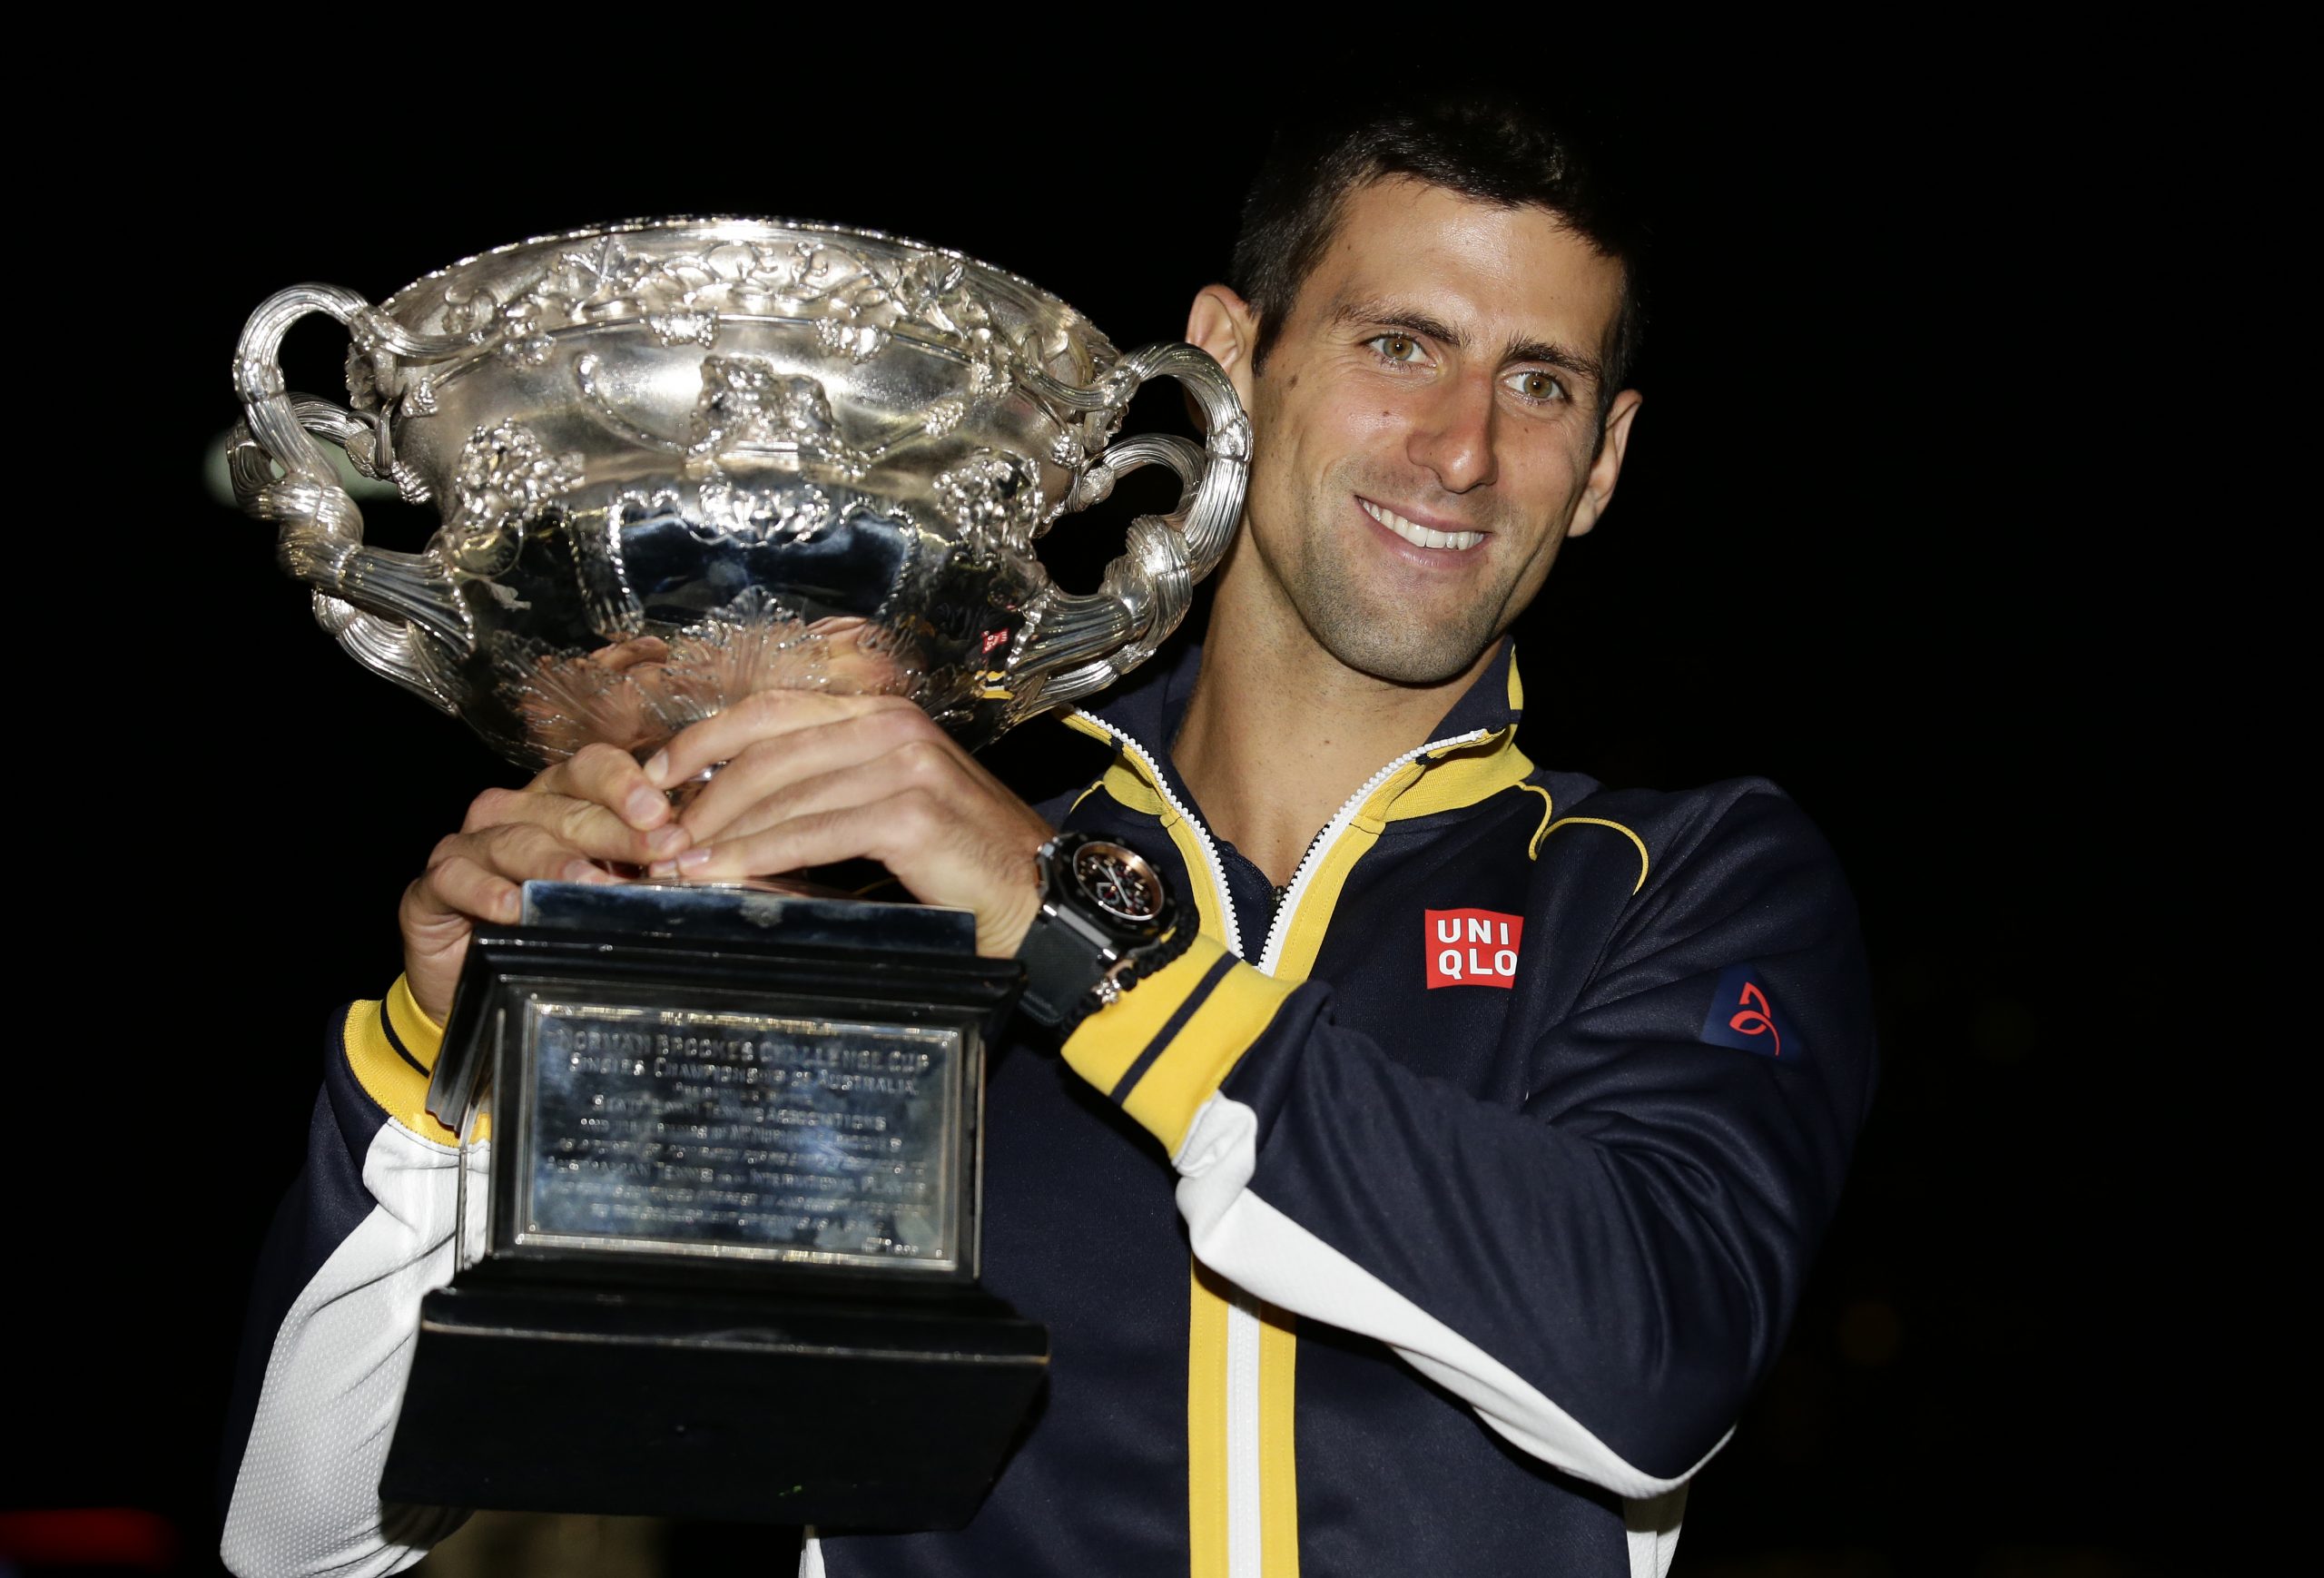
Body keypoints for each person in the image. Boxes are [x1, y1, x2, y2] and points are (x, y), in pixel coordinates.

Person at [222, 96, 1875, 1578]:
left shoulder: (1679, 880)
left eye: (1541, 384)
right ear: (1230, 355)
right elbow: (302, 1538)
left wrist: (1074, 923)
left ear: (1606, 462)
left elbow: (1651, 1360)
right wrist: (447, 1071)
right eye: (1400, 344)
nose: (1464, 449)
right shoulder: (871, 880)